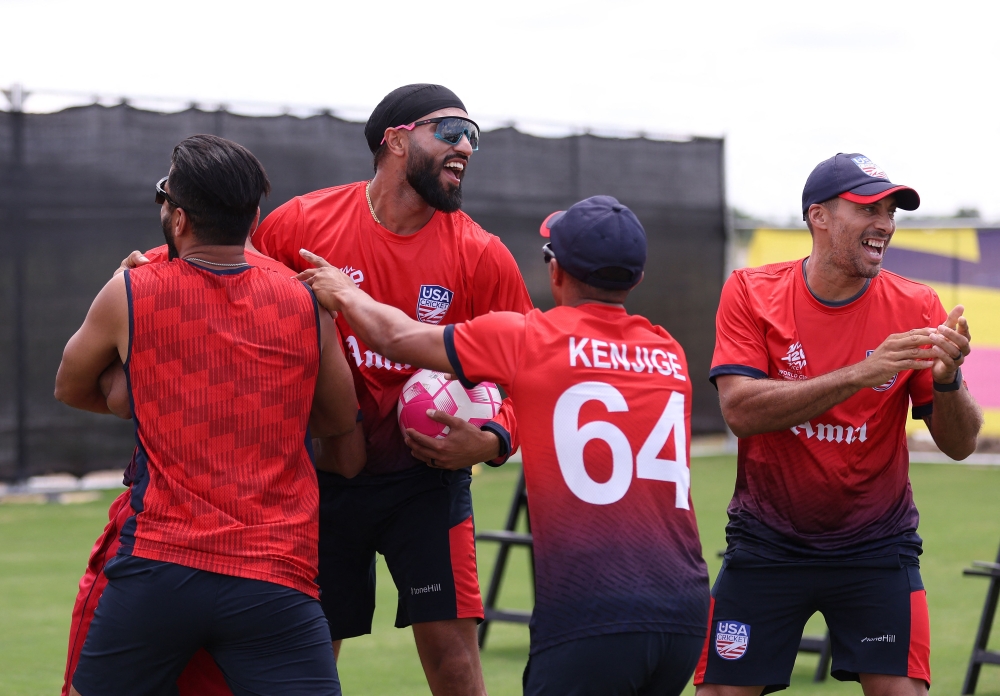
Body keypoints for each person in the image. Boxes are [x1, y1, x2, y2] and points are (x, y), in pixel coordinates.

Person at [296, 195, 712, 696]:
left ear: (555, 270)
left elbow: (394, 337)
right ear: (637, 278)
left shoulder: (530, 338)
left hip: (592, 611)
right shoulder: (668, 353)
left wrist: (343, 291)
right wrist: (496, 435)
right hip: (685, 612)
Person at [251, 83, 533, 695]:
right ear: (396, 141)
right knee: (306, 662)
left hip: (426, 484)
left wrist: (492, 440)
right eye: (451, 132)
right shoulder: (301, 224)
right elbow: (232, 290)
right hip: (321, 476)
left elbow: (530, 379)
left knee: (455, 664)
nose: (467, 147)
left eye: (473, 135)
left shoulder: (482, 255)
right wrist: (160, 270)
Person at [54, 134, 360, 696]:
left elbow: (71, 386)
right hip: (273, 572)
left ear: (177, 218)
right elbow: (339, 419)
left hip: (160, 566)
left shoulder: (130, 289)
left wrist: (143, 394)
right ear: (255, 216)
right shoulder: (304, 300)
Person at [696, 153, 984, 696]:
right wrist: (863, 373)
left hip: (877, 547)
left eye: (891, 210)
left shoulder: (918, 303)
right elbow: (740, 412)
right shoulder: (751, 291)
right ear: (818, 216)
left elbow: (961, 444)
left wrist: (948, 381)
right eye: (867, 207)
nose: (885, 223)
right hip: (766, 544)